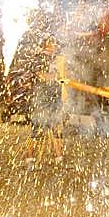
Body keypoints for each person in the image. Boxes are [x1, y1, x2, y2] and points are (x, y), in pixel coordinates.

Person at [25, 35, 67, 163]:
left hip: (55, 96)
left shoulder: (57, 58)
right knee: (37, 127)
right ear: (45, 46)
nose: (53, 47)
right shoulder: (38, 59)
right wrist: (56, 75)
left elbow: (64, 76)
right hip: (41, 98)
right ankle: (29, 156)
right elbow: (42, 76)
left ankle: (58, 155)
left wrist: (63, 88)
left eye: (54, 45)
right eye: (51, 45)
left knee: (56, 125)